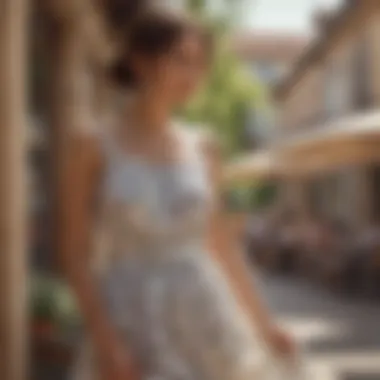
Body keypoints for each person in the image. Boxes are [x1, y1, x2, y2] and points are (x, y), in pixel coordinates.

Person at [62, 9, 296, 380]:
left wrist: (266, 327)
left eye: (200, 63)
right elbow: (75, 254)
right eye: (181, 60)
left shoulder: (205, 146)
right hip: (130, 317)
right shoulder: (90, 145)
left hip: (205, 315)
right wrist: (106, 342)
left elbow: (221, 245)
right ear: (140, 61)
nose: (193, 75)